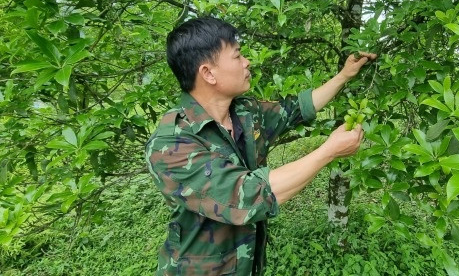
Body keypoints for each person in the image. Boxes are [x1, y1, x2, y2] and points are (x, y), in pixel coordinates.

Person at [145, 16, 376, 276]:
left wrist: (344, 76)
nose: (247, 62)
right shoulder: (170, 145)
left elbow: (296, 109)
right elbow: (249, 194)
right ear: (208, 73)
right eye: (237, 56)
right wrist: (329, 150)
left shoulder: (245, 112)